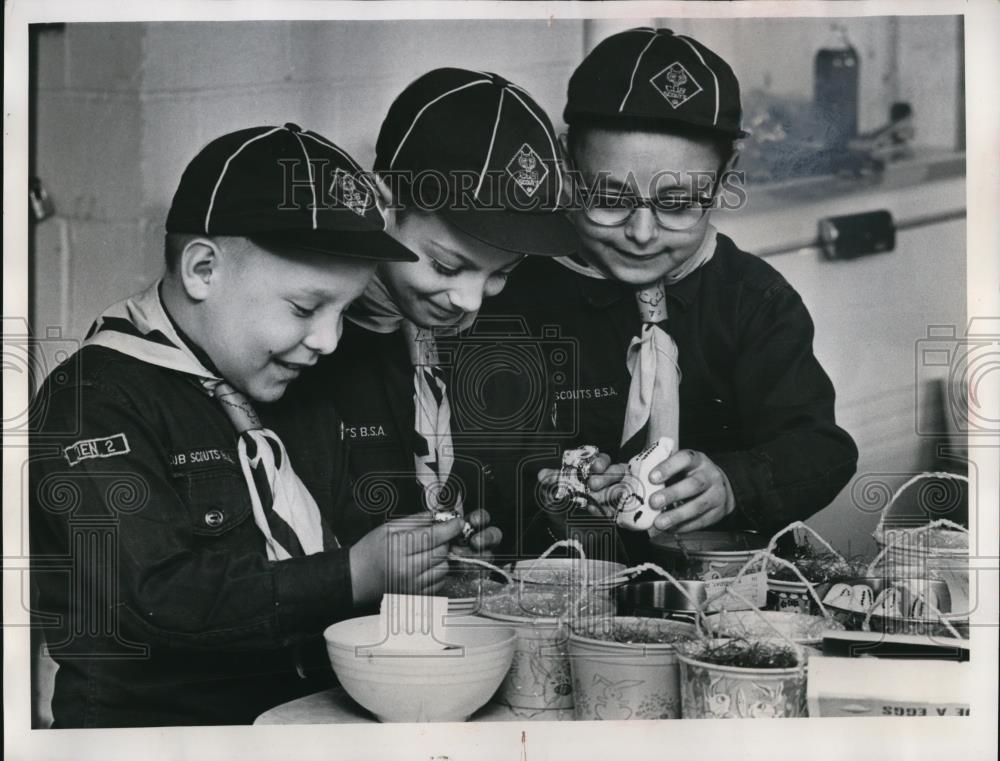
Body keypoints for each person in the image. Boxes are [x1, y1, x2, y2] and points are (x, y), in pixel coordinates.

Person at [28, 123, 481, 727]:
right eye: (304, 308)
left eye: (343, 311)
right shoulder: (93, 403)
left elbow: (345, 529)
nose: (327, 340)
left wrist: (428, 551)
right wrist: (356, 573)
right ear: (203, 271)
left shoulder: (296, 378)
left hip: (312, 716)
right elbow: (157, 596)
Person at [483, 28, 859, 562]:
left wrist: (733, 483)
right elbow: (480, 460)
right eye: (609, 197)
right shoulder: (510, 295)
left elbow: (821, 448)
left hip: (722, 583)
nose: (641, 233)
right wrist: (552, 483)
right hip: (559, 583)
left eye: (678, 203)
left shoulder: (755, 300)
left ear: (724, 176)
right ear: (567, 165)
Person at [299, 69, 578, 562]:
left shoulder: (505, 340)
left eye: (502, 273)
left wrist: (488, 542)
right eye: (448, 265)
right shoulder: (301, 344)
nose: (470, 301)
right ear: (383, 204)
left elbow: (524, 504)